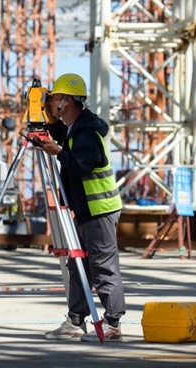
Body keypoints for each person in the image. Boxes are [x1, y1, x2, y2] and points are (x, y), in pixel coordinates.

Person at [31, 73, 126, 342]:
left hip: (100, 209)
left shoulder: (86, 131)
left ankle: (113, 323)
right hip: (86, 210)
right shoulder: (74, 127)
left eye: (54, 100)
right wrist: (46, 129)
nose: (50, 104)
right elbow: (60, 135)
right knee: (77, 265)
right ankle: (75, 321)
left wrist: (57, 152)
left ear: (67, 101)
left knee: (103, 266)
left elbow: (85, 162)